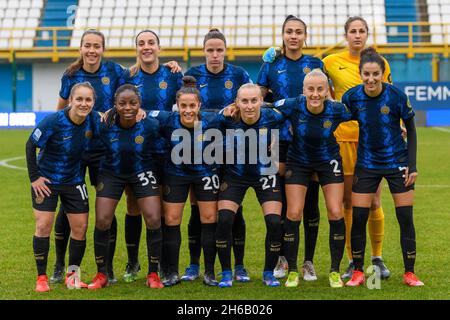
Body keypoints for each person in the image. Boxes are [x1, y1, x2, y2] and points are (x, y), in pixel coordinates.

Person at [342, 48, 423, 287]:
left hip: (397, 162)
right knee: (358, 217)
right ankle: (357, 271)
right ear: (360, 74)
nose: (371, 79)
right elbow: (337, 117)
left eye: (375, 74)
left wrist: (412, 165)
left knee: (405, 217)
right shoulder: (351, 97)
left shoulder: (397, 96)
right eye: (366, 74)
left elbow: (412, 128)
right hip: (366, 164)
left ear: (383, 73)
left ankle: (410, 273)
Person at [51, 29, 125, 284]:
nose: (92, 50)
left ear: (103, 49)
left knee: (107, 209)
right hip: (74, 152)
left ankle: (107, 268)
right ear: (80, 48)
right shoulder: (70, 75)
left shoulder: (115, 71)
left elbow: (133, 85)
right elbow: (60, 111)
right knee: (67, 207)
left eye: (97, 46)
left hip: (104, 151)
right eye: (87, 46)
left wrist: (171, 64)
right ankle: (60, 264)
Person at [322, 16, 393, 279]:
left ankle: (377, 257)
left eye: (362, 31)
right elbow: (313, 81)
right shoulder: (330, 62)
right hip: (343, 139)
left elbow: (390, 94)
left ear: (367, 34)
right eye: (353, 31)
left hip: (373, 140)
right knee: (349, 201)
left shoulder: (380, 63)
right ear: (346, 35)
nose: (357, 35)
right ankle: (354, 260)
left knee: (374, 199)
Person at [182, 28, 252, 282]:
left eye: (219, 50)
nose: (214, 55)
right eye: (210, 50)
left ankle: (240, 265)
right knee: (197, 207)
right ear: (204, 51)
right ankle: (193, 264)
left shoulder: (239, 74)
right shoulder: (192, 75)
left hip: (232, 147)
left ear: (225, 51)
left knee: (234, 208)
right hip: (199, 148)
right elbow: (182, 106)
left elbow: (251, 102)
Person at [258, 15, 324, 281]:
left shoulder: (315, 64)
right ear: (283, 35)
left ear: (305, 36)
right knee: (282, 205)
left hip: (310, 144)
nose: (293, 36)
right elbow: (261, 101)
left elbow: (324, 99)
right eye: (289, 32)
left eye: (298, 32)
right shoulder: (271, 64)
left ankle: (308, 261)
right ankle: (283, 259)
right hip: (279, 143)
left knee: (310, 205)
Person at [272, 70, 350, 288]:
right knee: (293, 213)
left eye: (320, 89)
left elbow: (364, 115)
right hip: (299, 161)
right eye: (311, 89)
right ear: (304, 90)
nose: (315, 94)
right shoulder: (293, 104)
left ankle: (334, 271)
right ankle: (294, 270)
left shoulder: (336, 109)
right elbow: (265, 109)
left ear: (327, 91)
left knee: (335, 212)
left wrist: (396, 126)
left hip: (328, 161)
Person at [118, 29, 183, 283]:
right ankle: (133, 261)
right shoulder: (127, 76)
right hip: (138, 151)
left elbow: (187, 100)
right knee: (134, 206)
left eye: (151, 42)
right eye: (141, 43)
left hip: (167, 149)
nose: (146, 47)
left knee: (167, 211)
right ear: (136, 48)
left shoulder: (172, 73)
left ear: (159, 47)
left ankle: (166, 265)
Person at [148, 76, 226, 287]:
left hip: (205, 173)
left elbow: (232, 115)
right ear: (177, 106)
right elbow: (144, 113)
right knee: (172, 220)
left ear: (199, 105)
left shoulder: (212, 120)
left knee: (209, 218)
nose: (188, 110)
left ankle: (209, 272)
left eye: (192, 105)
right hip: (176, 174)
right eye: (184, 106)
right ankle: (172, 272)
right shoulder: (167, 119)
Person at [88, 84, 164, 289]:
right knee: (103, 220)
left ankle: (153, 273)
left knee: (154, 218)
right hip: (112, 172)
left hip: (141, 172)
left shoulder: (150, 125)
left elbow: (161, 152)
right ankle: (102, 274)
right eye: (122, 103)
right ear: (115, 105)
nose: (128, 107)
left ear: (140, 104)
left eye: (133, 103)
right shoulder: (104, 124)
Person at [26, 82, 98, 292]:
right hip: (47, 181)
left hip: (74, 181)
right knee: (43, 226)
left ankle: (72, 276)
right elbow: (31, 145)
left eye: (88, 100)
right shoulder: (54, 121)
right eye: (79, 99)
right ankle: (42, 278)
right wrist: (35, 177)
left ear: (93, 102)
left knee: (80, 228)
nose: (83, 104)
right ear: (70, 101)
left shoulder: (93, 120)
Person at [216, 83, 283, 288]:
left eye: (254, 100)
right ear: (236, 102)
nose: (249, 105)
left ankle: (268, 273)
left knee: (273, 222)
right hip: (235, 175)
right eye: (244, 101)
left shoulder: (274, 117)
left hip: (264, 173)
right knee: (225, 219)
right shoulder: (226, 119)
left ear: (261, 101)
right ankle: (228, 272)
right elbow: (205, 116)